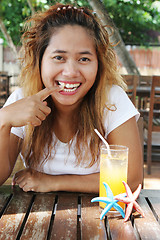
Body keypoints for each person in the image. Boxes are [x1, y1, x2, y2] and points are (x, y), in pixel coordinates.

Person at [0, 4, 143, 193]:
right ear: (39, 60)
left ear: (98, 64)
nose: (70, 72)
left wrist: (51, 182)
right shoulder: (22, 99)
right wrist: (3, 121)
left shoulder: (111, 99)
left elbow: (131, 179)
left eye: (84, 59)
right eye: (59, 57)